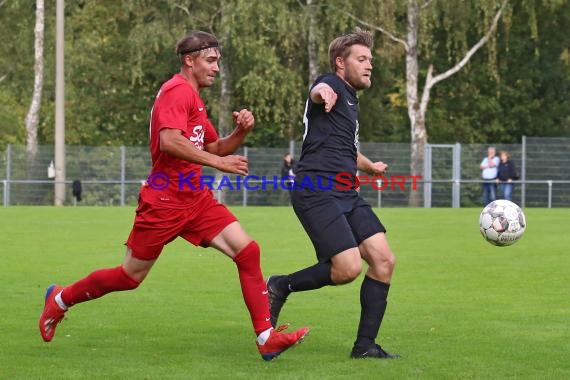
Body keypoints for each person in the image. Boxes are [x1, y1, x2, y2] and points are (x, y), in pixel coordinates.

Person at [39, 31, 308, 361]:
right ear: (189, 60)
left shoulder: (194, 98)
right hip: (164, 200)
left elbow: (214, 147)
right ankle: (60, 299)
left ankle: (266, 337)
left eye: (218, 62)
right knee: (129, 277)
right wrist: (218, 162)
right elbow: (169, 141)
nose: (216, 68)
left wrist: (241, 132)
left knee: (248, 251)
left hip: (195, 198)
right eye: (211, 61)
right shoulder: (176, 91)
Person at [266, 28, 399, 359]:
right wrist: (322, 92)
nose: (370, 65)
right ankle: (280, 285)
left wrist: (369, 168)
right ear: (341, 63)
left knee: (383, 260)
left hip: (346, 192)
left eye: (371, 60)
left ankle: (365, 346)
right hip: (316, 191)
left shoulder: (351, 100)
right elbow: (318, 89)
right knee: (347, 269)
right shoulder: (332, 84)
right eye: (362, 59)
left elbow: (347, 149)